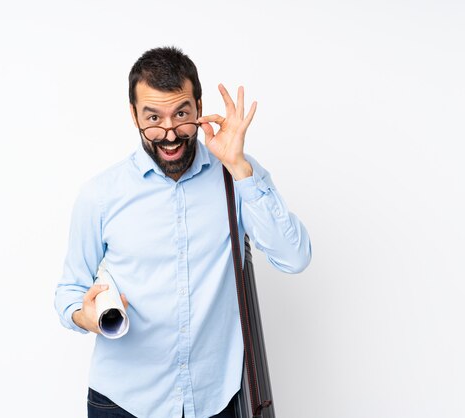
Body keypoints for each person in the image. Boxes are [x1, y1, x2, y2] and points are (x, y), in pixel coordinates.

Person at [54, 46, 311, 418]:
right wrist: (85, 316)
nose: (170, 132)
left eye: (181, 114)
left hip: (214, 400)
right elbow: (70, 290)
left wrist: (239, 167)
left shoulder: (234, 176)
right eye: (153, 117)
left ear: (199, 107)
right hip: (123, 403)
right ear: (133, 115)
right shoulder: (101, 195)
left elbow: (294, 257)